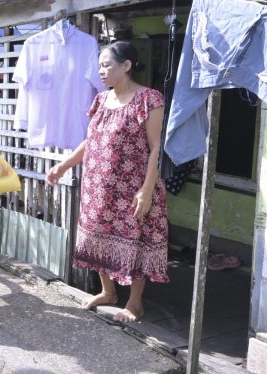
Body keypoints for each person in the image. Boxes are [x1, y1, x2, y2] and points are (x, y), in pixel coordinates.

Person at [45, 41, 169, 323]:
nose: (101, 71)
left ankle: (135, 304)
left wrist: (147, 189)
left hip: (133, 189)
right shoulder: (101, 100)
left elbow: (156, 148)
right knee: (95, 236)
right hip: (97, 188)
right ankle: (108, 292)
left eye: (106, 65)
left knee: (136, 240)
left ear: (126, 65)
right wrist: (63, 166)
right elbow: (91, 141)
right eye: (99, 66)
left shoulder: (149, 99)